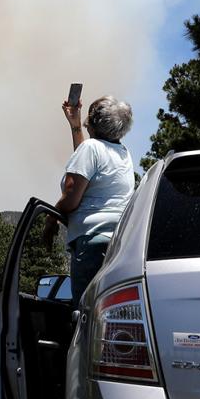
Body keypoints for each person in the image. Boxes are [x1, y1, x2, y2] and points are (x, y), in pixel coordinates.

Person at [46, 94, 135, 306]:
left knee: (85, 312)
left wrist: (50, 220)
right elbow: (86, 164)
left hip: (91, 243)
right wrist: (75, 126)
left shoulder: (91, 149)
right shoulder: (123, 153)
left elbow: (70, 198)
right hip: (119, 243)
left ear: (94, 123)